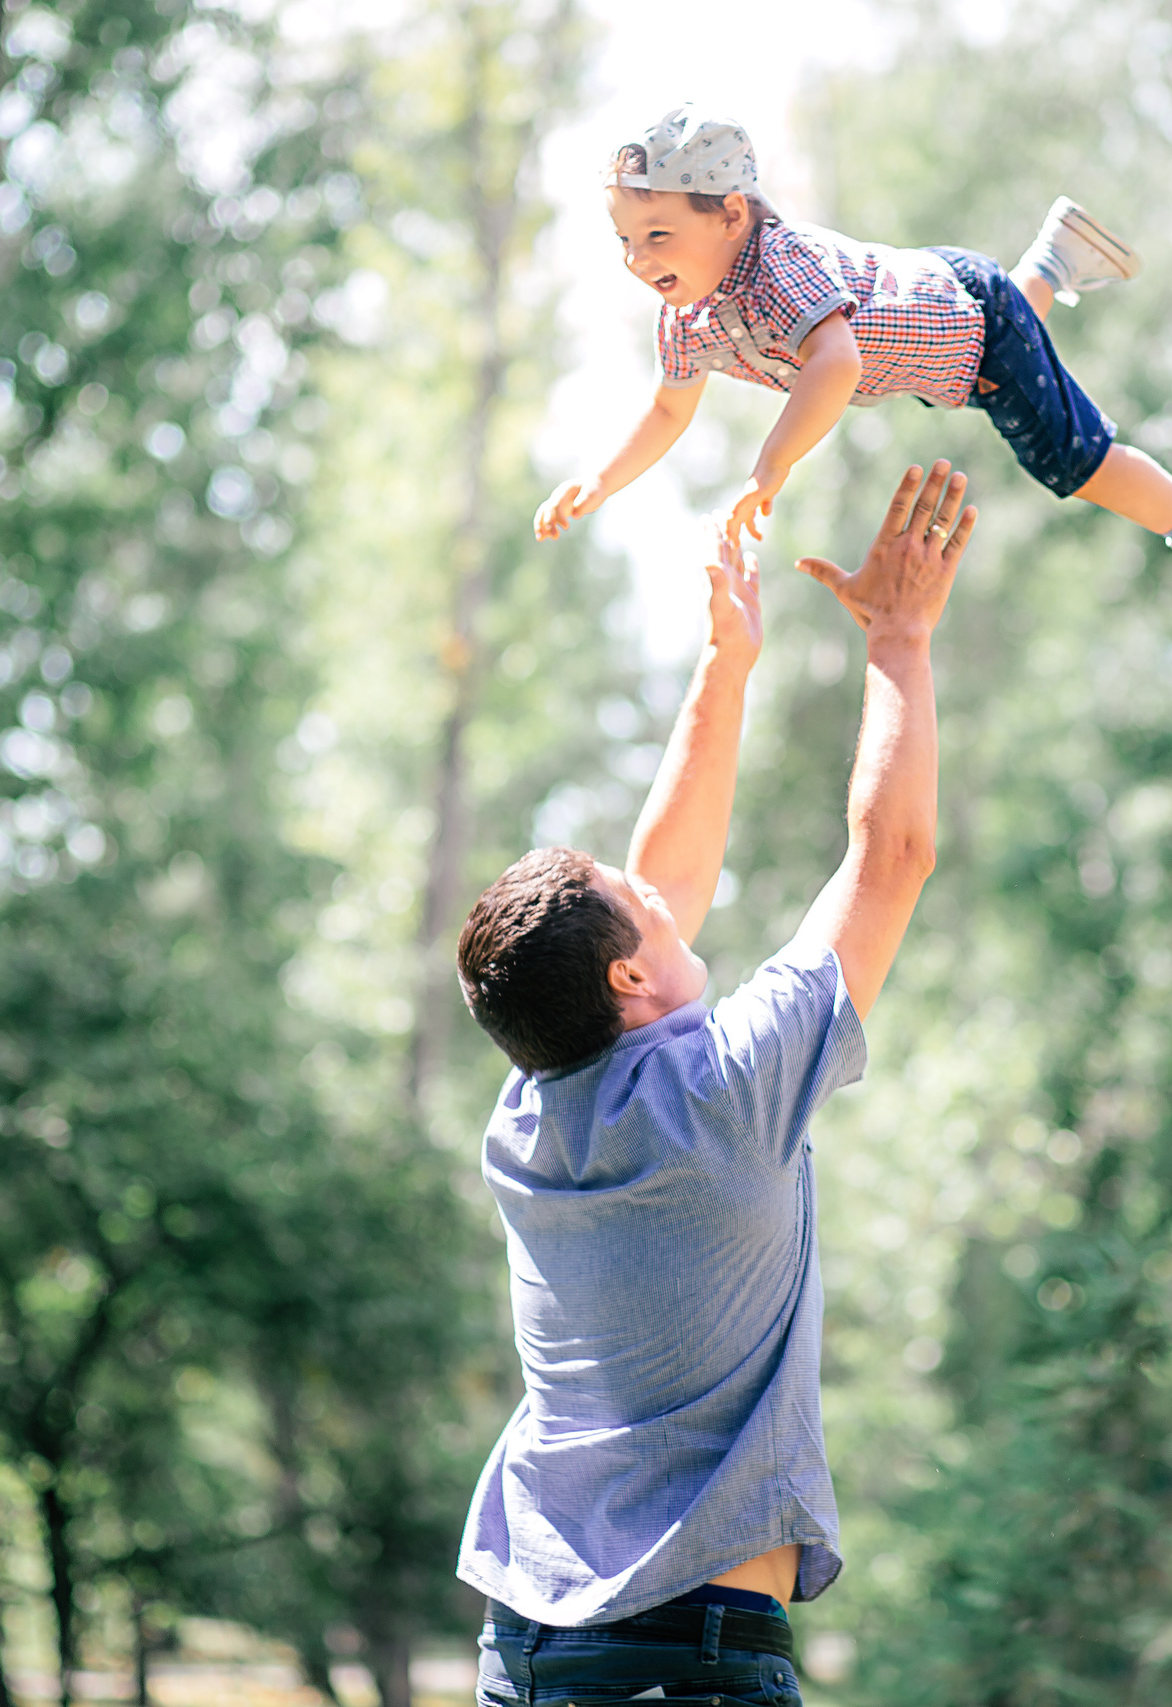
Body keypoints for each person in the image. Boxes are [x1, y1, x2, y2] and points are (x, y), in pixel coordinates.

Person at [453, 461, 978, 1705]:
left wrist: (724, 664)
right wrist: (898, 640)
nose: (655, 887)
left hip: (522, 1645)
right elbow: (892, 857)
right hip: (684, 1660)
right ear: (629, 978)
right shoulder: (730, 1091)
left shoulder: (531, 1109)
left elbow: (657, 883)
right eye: (633, 904)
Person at [534, 103, 1172, 655]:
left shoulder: (774, 269)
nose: (637, 260)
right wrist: (600, 481)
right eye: (625, 240)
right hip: (956, 322)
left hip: (969, 313)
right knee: (985, 357)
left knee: (1069, 458)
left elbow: (836, 363)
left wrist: (770, 466)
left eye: (657, 235)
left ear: (730, 215)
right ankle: (1054, 261)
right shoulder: (687, 315)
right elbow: (667, 411)